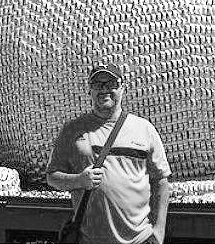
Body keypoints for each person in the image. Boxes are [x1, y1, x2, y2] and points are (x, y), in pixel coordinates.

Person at [47, 63, 171, 244]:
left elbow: (161, 181)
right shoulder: (72, 130)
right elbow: (52, 177)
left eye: (111, 83)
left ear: (122, 88)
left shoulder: (144, 129)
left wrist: (159, 231)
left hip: (140, 239)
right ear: (90, 90)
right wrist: (79, 180)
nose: (104, 90)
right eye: (98, 84)